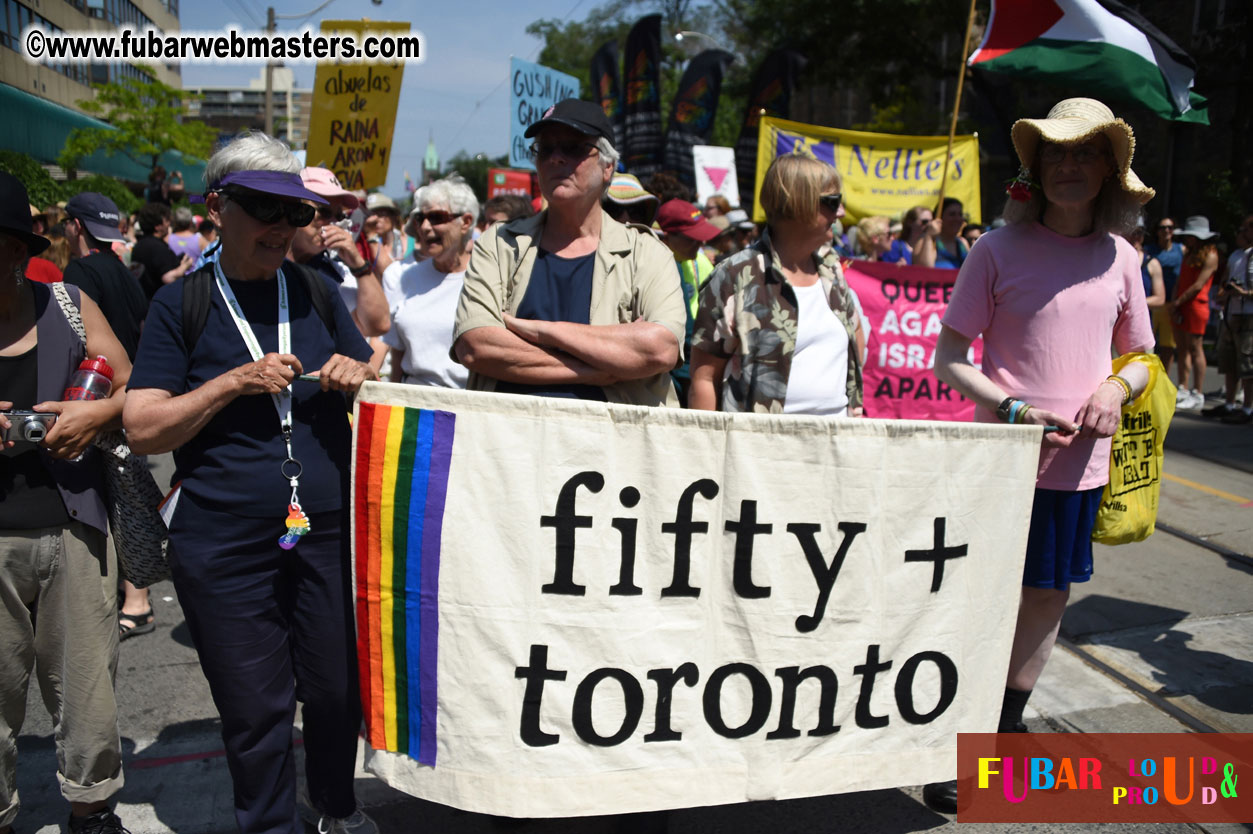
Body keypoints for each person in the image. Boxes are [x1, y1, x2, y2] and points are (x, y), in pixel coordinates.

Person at [122, 132, 379, 834]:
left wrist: (361, 375)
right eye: (264, 208)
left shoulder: (318, 292)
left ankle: (334, 807)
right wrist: (232, 382)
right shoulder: (183, 305)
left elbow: (371, 365)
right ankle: (268, 826)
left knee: (334, 690)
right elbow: (143, 427)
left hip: (323, 531)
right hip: (224, 542)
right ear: (217, 207)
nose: (282, 227)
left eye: (294, 213)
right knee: (255, 705)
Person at [931, 98, 1155, 814]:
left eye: (1084, 153)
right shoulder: (992, 251)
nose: (1068, 165)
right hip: (1000, 463)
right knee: (983, 600)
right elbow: (949, 358)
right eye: (1056, 152)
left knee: (1047, 596)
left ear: (1107, 172)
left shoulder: (1121, 257)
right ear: (1034, 168)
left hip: (1079, 469)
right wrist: (1012, 409)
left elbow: (1143, 356)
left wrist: (1117, 388)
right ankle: (951, 741)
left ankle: (1002, 732)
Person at [0, 170, 134, 834]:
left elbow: (131, 392)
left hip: (74, 527)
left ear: (19, 248)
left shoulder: (69, 303)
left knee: (88, 691)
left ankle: (91, 808)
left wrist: (92, 418)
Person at [453, 98, 685, 407]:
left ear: (608, 167)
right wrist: (593, 368)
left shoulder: (646, 253)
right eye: (545, 149)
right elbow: (477, 346)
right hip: (510, 444)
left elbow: (659, 350)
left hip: (613, 446)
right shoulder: (498, 244)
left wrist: (543, 331)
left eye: (573, 148)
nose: (556, 159)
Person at [689, 152, 864, 416]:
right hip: (763, 450)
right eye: (832, 202)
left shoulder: (832, 270)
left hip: (835, 446)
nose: (841, 212)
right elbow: (704, 379)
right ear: (798, 204)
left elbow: (856, 334)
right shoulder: (735, 275)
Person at [383, 175, 477, 387]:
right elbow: (397, 352)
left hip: (469, 405)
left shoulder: (487, 278)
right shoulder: (407, 277)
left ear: (466, 222)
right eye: (420, 219)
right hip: (414, 406)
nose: (425, 227)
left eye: (436, 217)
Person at [62, 193, 149, 363]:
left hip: (98, 378)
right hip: (128, 375)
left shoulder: (80, 270)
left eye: (66, 222)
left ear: (76, 225)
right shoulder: (125, 272)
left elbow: (74, 336)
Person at [656, 199, 722, 404]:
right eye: (692, 238)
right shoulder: (655, 268)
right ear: (667, 238)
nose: (700, 244)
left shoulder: (701, 261)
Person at [1167, 216, 1219, 410]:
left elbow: (1198, 285)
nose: (1188, 239)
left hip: (1196, 306)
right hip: (1181, 305)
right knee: (1182, 349)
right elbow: (1181, 279)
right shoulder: (1188, 254)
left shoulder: (1211, 255)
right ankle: (1183, 387)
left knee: (1195, 348)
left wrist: (1178, 301)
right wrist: (1175, 302)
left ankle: (1198, 392)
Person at [1206, 214, 1253, 422]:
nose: (1240, 233)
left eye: (1244, 230)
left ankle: (1247, 409)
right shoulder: (1235, 255)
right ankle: (1230, 404)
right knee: (1230, 361)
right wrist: (1224, 293)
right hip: (1231, 314)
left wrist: (1243, 293)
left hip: (1249, 317)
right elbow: (1225, 280)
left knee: (1247, 364)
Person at [1146, 215, 1184, 376]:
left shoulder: (1181, 249)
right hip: (1153, 304)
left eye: (1170, 227)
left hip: (1170, 304)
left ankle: (1164, 378)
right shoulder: (1149, 251)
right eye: (1163, 227)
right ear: (1157, 231)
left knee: (1168, 347)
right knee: (1148, 345)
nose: (1166, 231)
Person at [132, 203, 194, 300]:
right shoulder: (157, 247)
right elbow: (169, 278)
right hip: (156, 301)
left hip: (141, 300)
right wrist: (184, 266)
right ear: (158, 226)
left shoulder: (139, 245)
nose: (169, 224)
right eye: (167, 221)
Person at [916, 197, 969, 268]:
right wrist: (929, 237)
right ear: (939, 219)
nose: (958, 219)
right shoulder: (926, 242)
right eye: (952, 214)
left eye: (960, 214)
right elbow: (925, 270)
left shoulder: (963, 243)